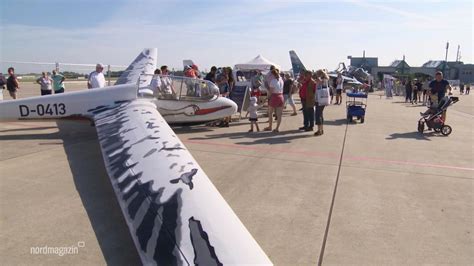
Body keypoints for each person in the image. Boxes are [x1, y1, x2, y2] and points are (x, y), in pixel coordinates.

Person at [314, 70, 329, 136]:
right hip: (322, 99)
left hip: (320, 99)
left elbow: (318, 81)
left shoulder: (322, 80)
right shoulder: (325, 79)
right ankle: (321, 129)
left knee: (318, 115)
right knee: (320, 114)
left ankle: (319, 130)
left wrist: (317, 78)